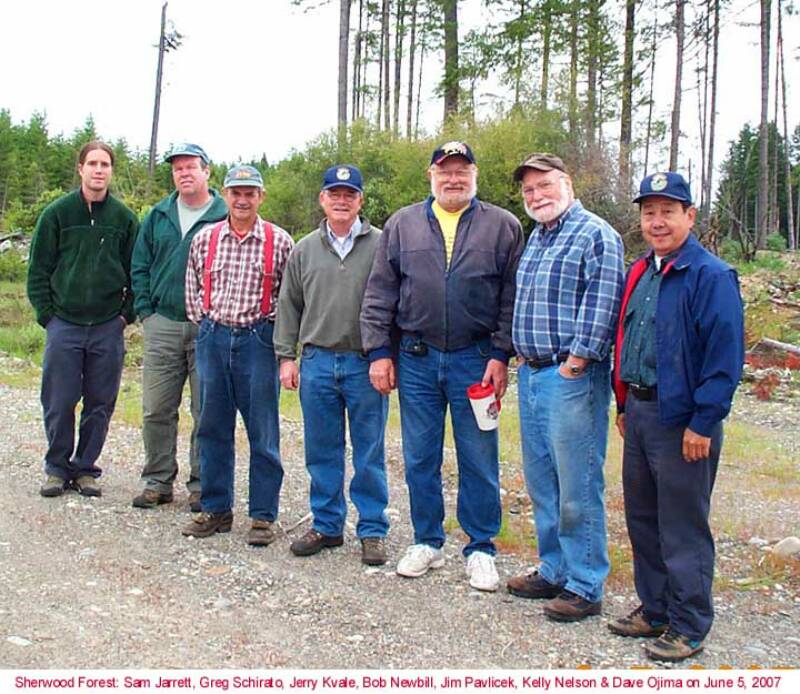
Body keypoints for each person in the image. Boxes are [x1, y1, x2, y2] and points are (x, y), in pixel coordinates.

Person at [361, 141, 524, 591]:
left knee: (478, 457)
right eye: (444, 171)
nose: (453, 179)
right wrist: (378, 352)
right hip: (416, 359)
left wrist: (500, 354)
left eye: (462, 171)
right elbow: (380, 293)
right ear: (431, 176)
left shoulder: (503, 226)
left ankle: (481, 548)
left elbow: (512, 296)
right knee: (420, 455)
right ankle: (427, 540)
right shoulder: (402, 224)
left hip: (476, 363)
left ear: (475, 175)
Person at [608, 172, 744, 662]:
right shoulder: (640, 271)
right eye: (649, 212)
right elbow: (629, 343)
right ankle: (656, 609)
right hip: (640, 412)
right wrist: (623, 403)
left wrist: (703, 422)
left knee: (683, 525)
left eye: (668, 211)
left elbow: (724, 359)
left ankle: (689, 624)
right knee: (643, 519)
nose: (657, 221)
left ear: (690, 215)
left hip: (683, 421)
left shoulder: (711, 277)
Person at [507, 153, 624, 621]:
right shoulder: (536, 237)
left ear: (568, 183)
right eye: (529, 190)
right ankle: (554, 569)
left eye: (545, 185)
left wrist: (575, 364)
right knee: (543, 482)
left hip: (570, 376)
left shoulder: (595, 234)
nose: (537, 195)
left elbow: (603, 303)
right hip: (531, 374)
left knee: (578, 483)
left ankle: (585, 583)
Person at [274, 165, 390, 566]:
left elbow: (394, 301)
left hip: (365, 364)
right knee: (322, 450)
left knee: (369, 451)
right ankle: (326, 525)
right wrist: (286, 357)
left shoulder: (382, 244)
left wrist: (386, 355)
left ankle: (372, 530)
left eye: (350, 194)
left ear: (360, 200)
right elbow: (288, 305)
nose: (341, 201)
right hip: (317, 362)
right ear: (322, 199)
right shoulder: (304, 248)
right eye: (334, 194)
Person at [181, 165, 293, 546]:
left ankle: (263, 516)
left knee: (263, 432)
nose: (242, 200)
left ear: (261, 197)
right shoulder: (205, 238)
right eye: (235, 192)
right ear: (224, 195)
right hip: (212, 337)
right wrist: (207, 323)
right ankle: (215, 508)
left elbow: (290, 297)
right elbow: (192, 288)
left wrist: (279, 342)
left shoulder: (279, 241)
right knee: (211, 427)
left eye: (250, 193)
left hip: (258, 341)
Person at [27, 140, 139, 498]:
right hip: (65, 324)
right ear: (80, 169)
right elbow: (38, 271)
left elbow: (137, 273)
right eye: (92, 163)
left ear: (111, 171)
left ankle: (86, 468)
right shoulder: (57, 214)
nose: (98, 170)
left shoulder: (124, 219)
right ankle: (57, 468)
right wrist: (48, 316)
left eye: (105, 164)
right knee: (59, 400)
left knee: (100, 402)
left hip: (108, 325)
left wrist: (125, 316)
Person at [131, 143, 228, 512]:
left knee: (206, 411)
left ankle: (202, 486)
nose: (184, 173)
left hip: (209, 328)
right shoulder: (158, 215)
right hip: (164, 325)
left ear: (207, 171)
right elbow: (139, 265)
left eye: (191, 167)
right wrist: (146, 313)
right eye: (177, 169)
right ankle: (158, 479)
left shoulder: (224, 213)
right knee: (156, 408)